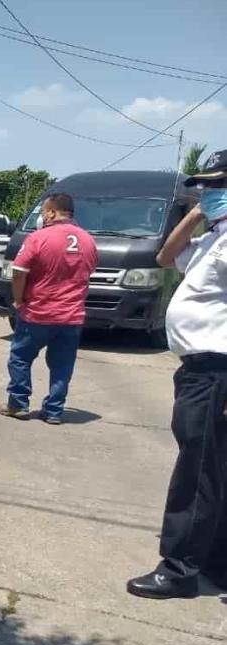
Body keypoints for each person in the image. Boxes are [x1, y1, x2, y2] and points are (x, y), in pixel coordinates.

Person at [127, 150, 227, 600]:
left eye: (218, 186)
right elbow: (167, 257)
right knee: (213, 468)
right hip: (200, 370)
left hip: (217, 372)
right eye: (206, 187)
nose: (209, 193)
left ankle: (180, 569)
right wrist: (195, 216)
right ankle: (215, 563)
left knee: (198, 473)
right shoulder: (216, 238)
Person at [1, 193, 97, 425]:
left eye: (44, 212)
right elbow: (89, 271)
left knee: (20, 358)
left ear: (53, 212)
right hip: (71, 317)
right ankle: (54, 411)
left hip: (38, 312)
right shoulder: (88, 241)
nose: (42, 217)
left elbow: (18, 272)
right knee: (62, 365)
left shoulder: (39, 238)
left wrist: (18, 300)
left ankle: (19, 403)